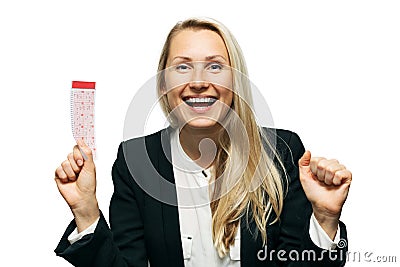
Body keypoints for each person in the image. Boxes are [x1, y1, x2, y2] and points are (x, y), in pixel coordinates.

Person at [54, 17, 352, 266]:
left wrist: (324, 219)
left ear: (235, 82)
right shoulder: (136, 161)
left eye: (215, 66)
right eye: (182, 67)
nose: (198, 81)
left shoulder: (281, 153)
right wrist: (85, 211)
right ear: (162, 85)